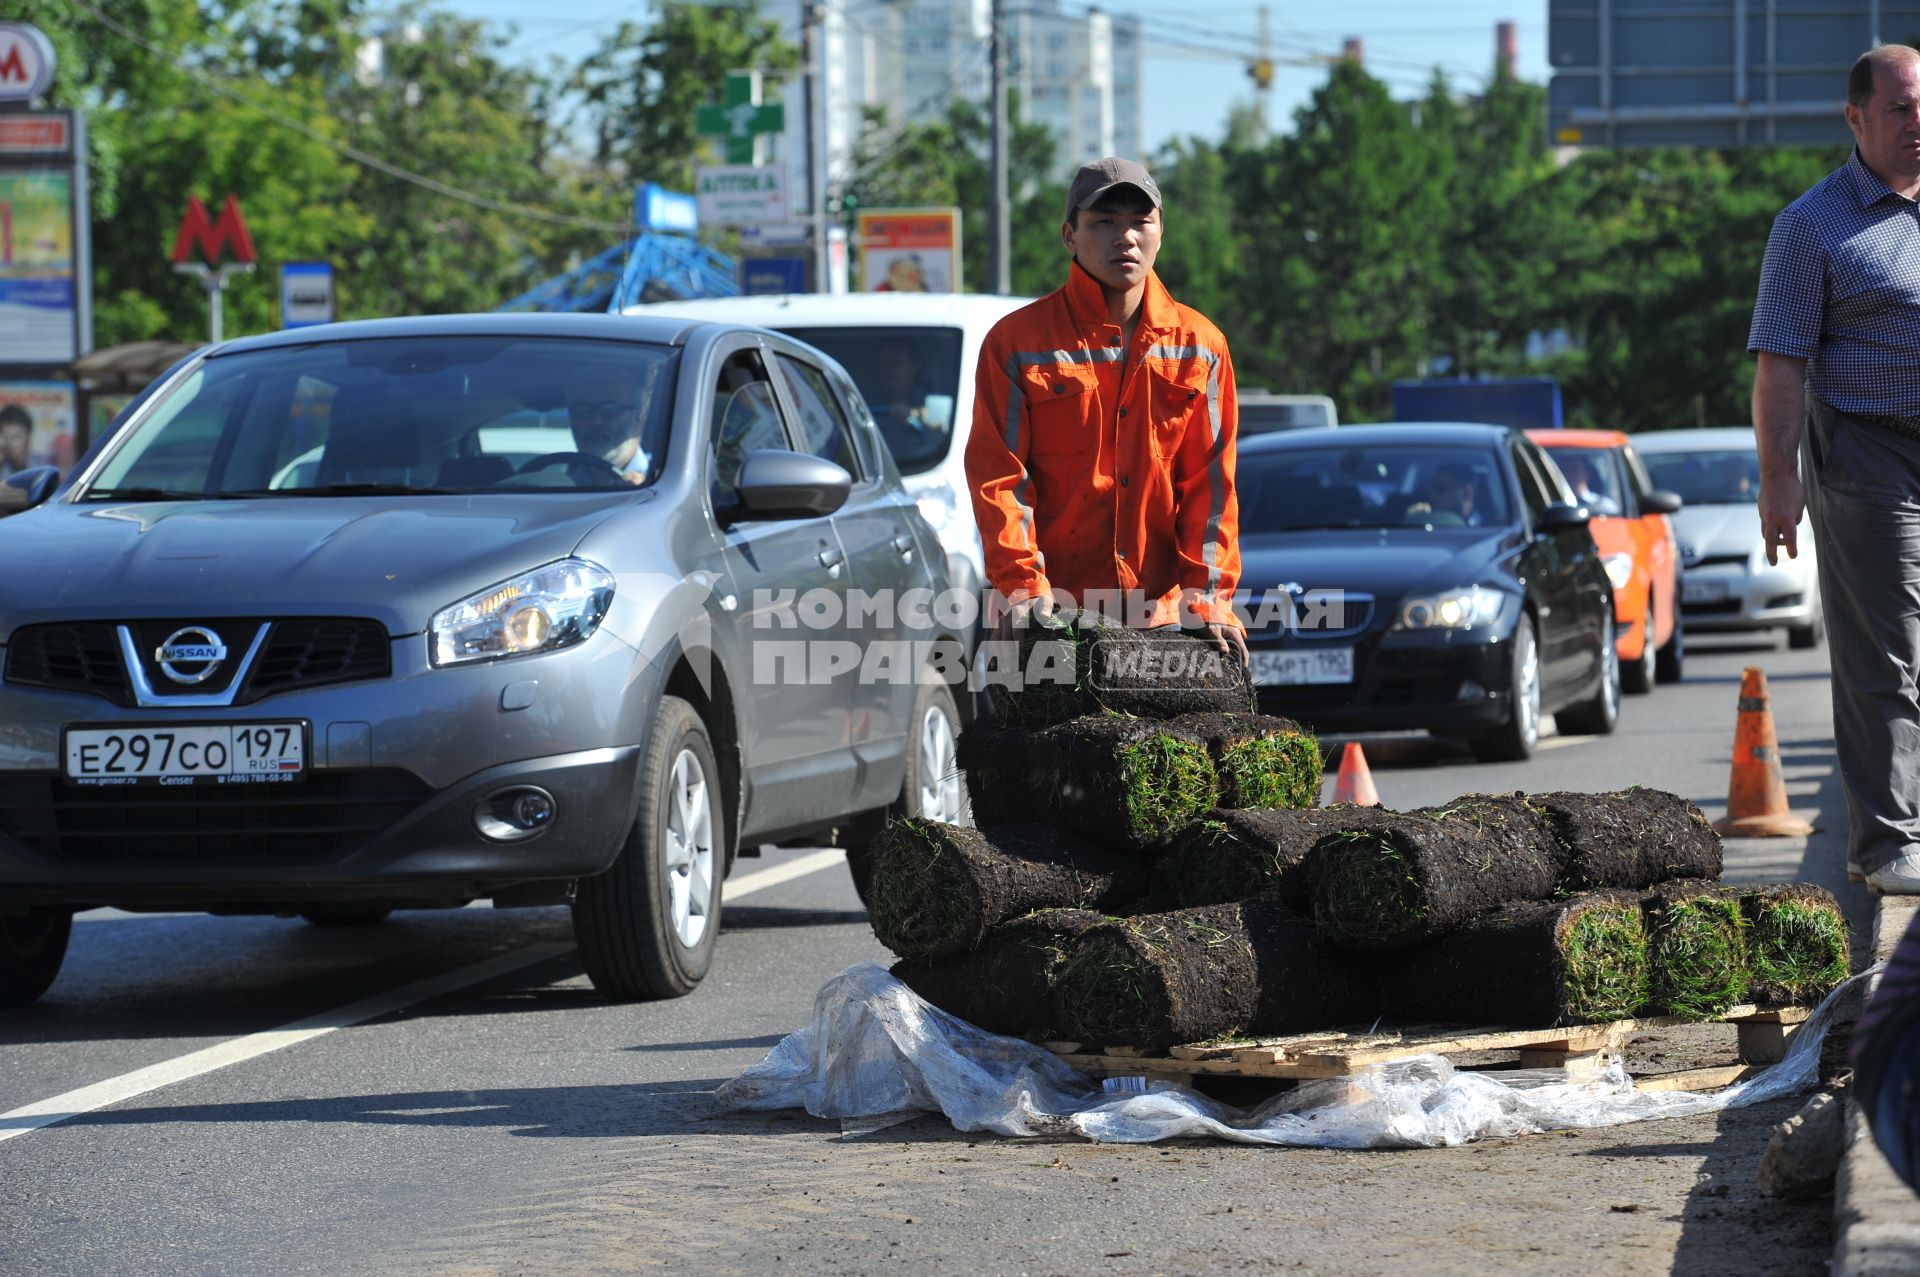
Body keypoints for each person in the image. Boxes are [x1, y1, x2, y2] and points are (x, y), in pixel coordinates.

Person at [1749, 43, 1920, 894]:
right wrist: (1778, 478)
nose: (1918, 124)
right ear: (1856, 119)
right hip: (1866, 450)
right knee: (1888, 647)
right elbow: (1779, 364)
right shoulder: (1811, 225)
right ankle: (1888, 843)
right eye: (1900, 109)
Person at [965, 156, 1246, 664]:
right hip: (1050, 620)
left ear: (1161, 231)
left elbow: (1212, 490)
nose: (1126, 237)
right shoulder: (1016, 343)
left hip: (1162, 623)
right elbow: (998, 480)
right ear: (1069, 235)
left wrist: (1208, 599)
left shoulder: (1201, 346)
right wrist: (1023, 587)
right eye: (1105, 223)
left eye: (1141, 221)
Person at [564, 363, 651, 485]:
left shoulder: (667, 481)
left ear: (640, 415)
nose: (595, 421)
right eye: (582, 411)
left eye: (610, 410)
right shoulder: (556, 482)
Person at [1403, 461, 1482, 526]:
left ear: (1466, 492)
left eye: (1440, 490)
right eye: (1431, 489)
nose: (1432, 495)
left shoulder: (1488, 526)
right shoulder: (1422, 521)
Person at [0, 406, 34, 480]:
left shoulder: (43, 466)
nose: (9, 443)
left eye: (16, 437)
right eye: (5, 436)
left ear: (28, 438)